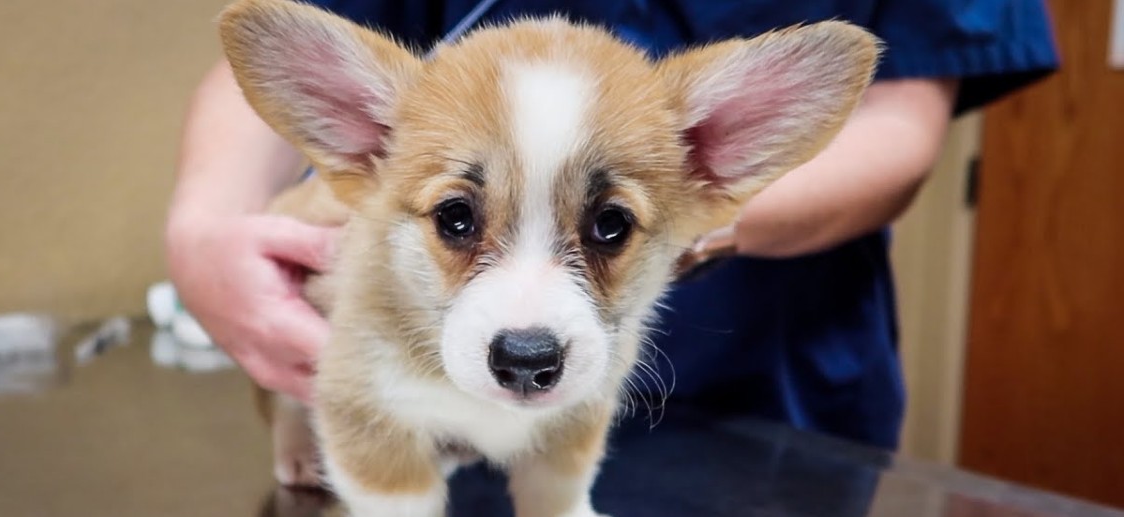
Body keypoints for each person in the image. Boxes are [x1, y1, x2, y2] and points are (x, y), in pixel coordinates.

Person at [165, 0, 1058, 449]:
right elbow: (305, 30)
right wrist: (203, 229)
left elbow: (899, 124)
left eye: (602, 228)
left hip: (760, 408)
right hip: (436, 417)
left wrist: (666, 229)